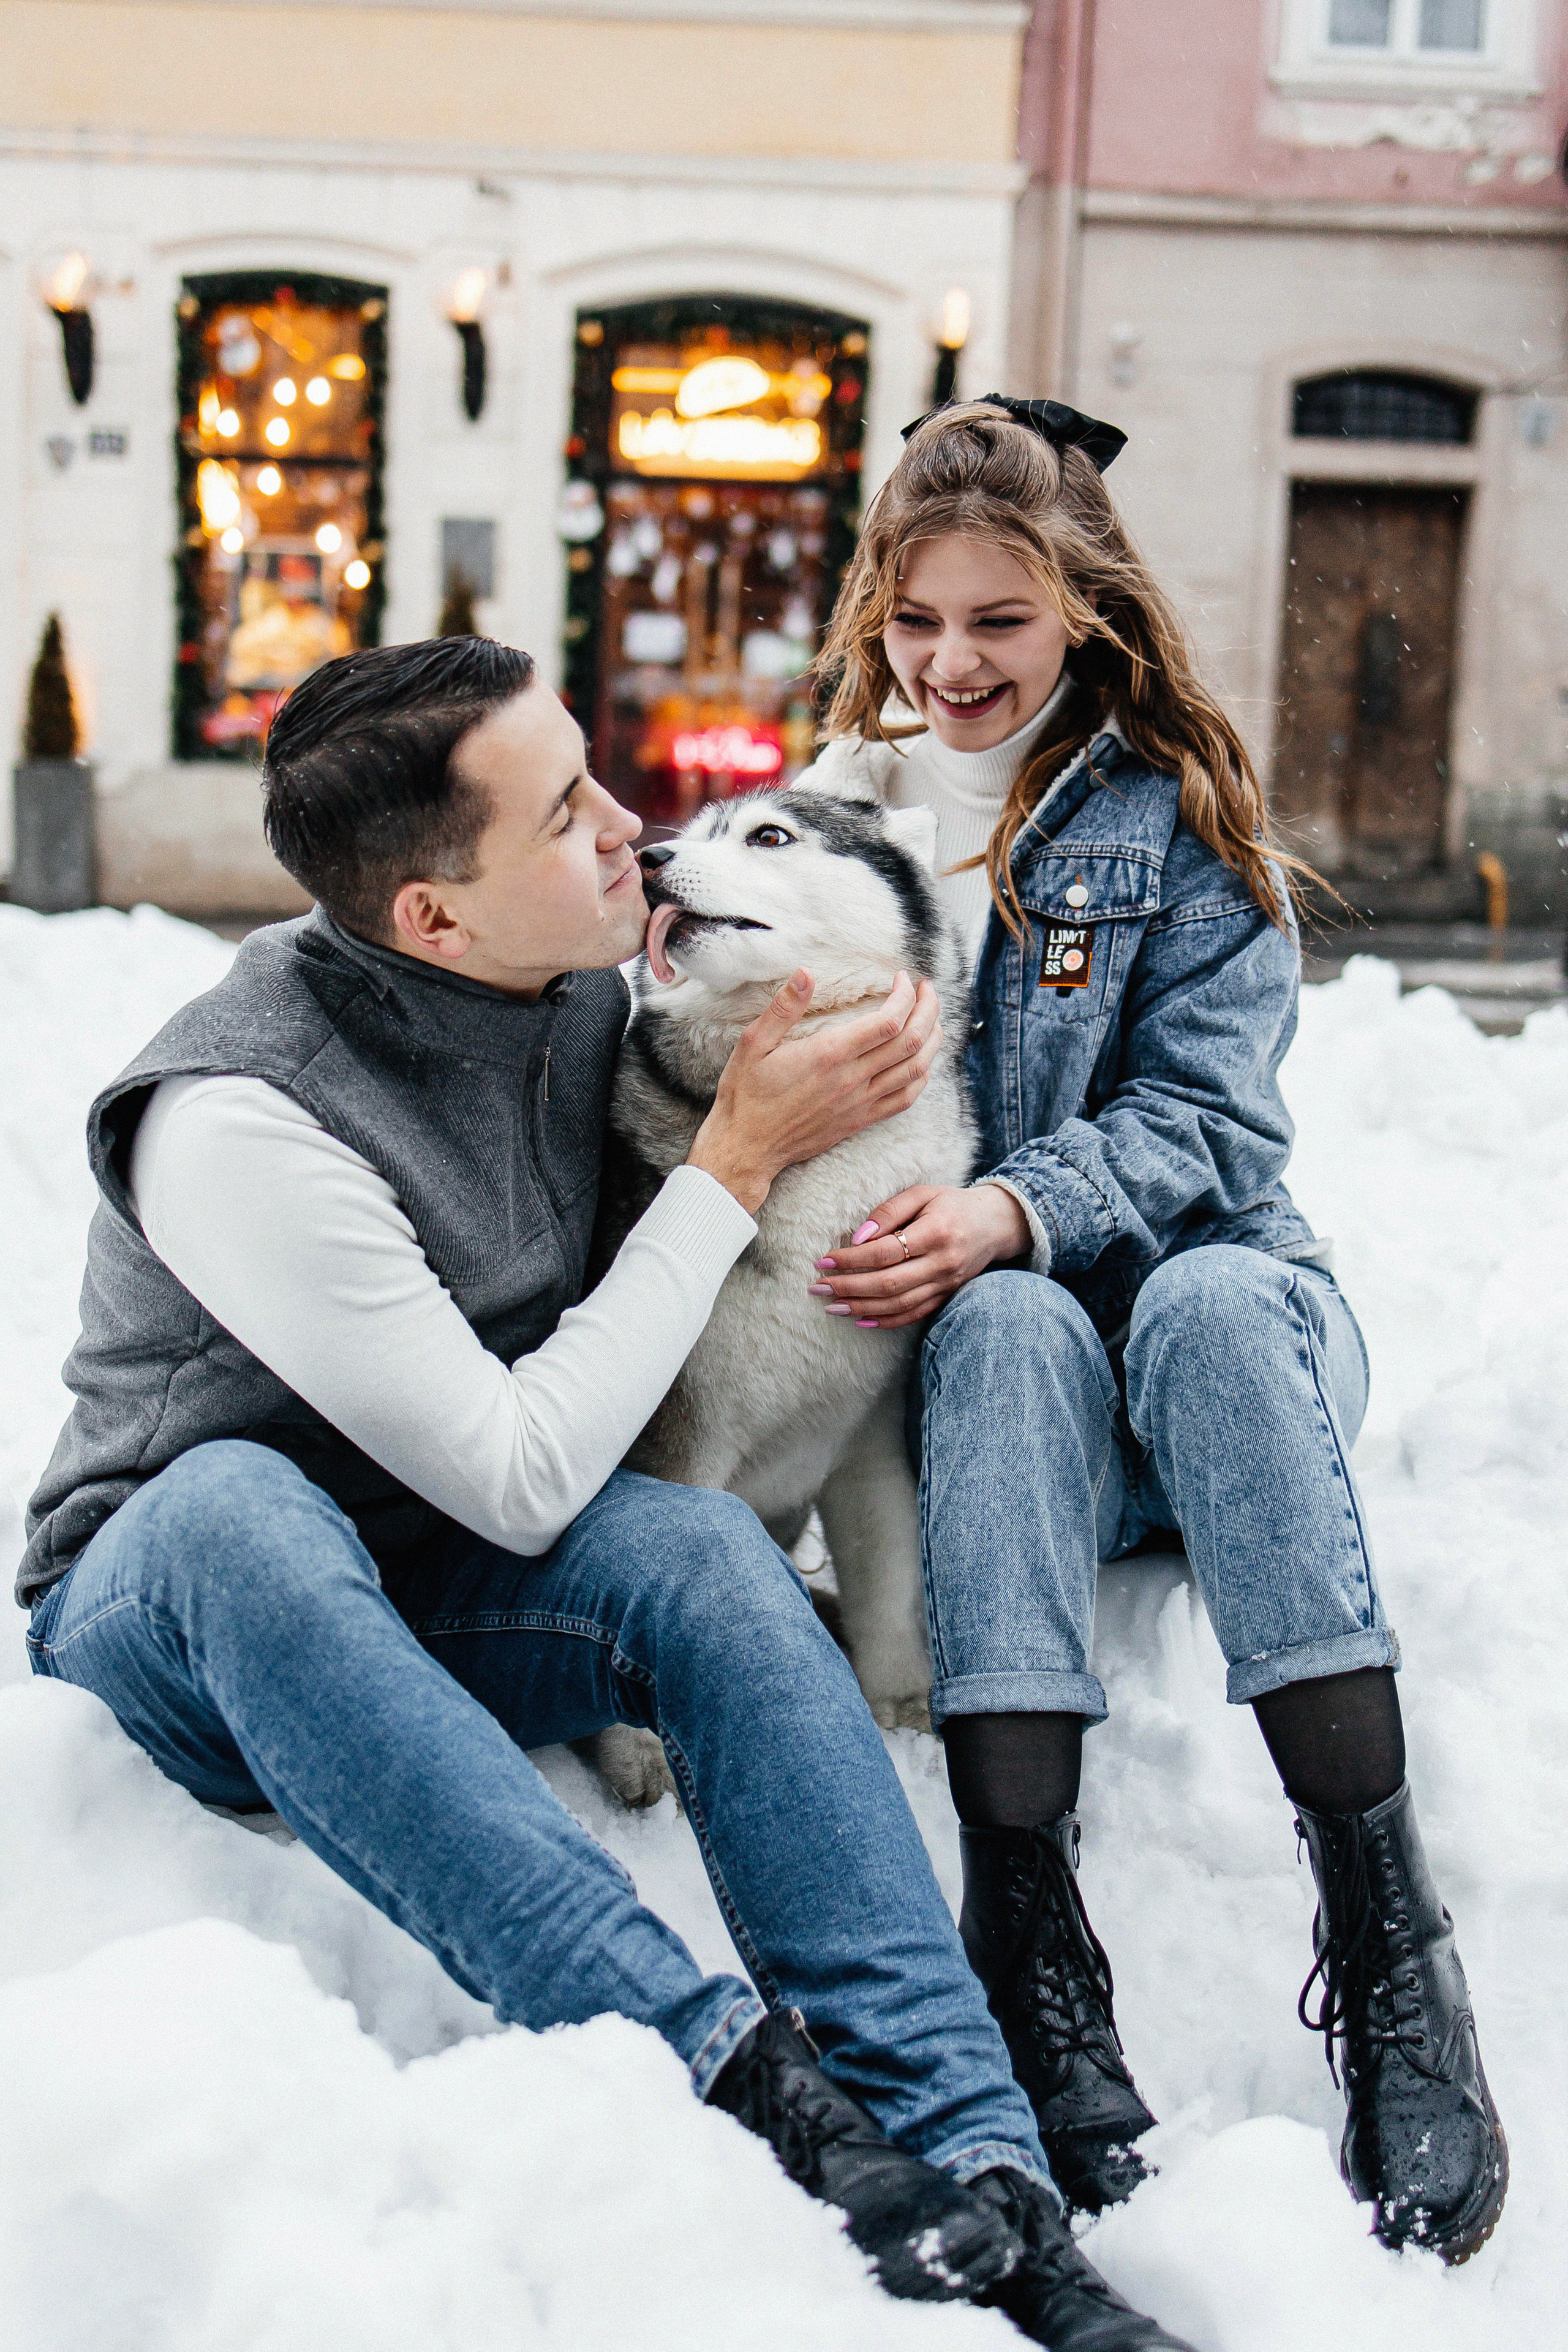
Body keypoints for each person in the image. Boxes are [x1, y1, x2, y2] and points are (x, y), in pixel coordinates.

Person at [19, 638, 1193, 2350]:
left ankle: (985, 2167)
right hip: (196, 1610)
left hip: (438, 1581)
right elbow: (514, 1474)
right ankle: (740, 2079)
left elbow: (838, 977)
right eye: (568, 813)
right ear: (432, 918)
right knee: (234, 1507)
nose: (632, 829)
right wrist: (734, 1164)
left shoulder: (583, 995)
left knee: (709, 1553)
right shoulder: (239, 1118)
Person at [801, 397, 1507, 2264]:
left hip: (1234, 1333)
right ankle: (1025, 1933)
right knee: (1015, 1328)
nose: (951, 664)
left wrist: (1013, 1201)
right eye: (918, 620)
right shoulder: (831, 826)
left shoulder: (1173, 817)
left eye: (1000, 625)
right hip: (1018, 1391)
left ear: (1086, 617)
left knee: (1171, 1298)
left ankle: (1387, 1935)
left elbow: (1214, 1127)